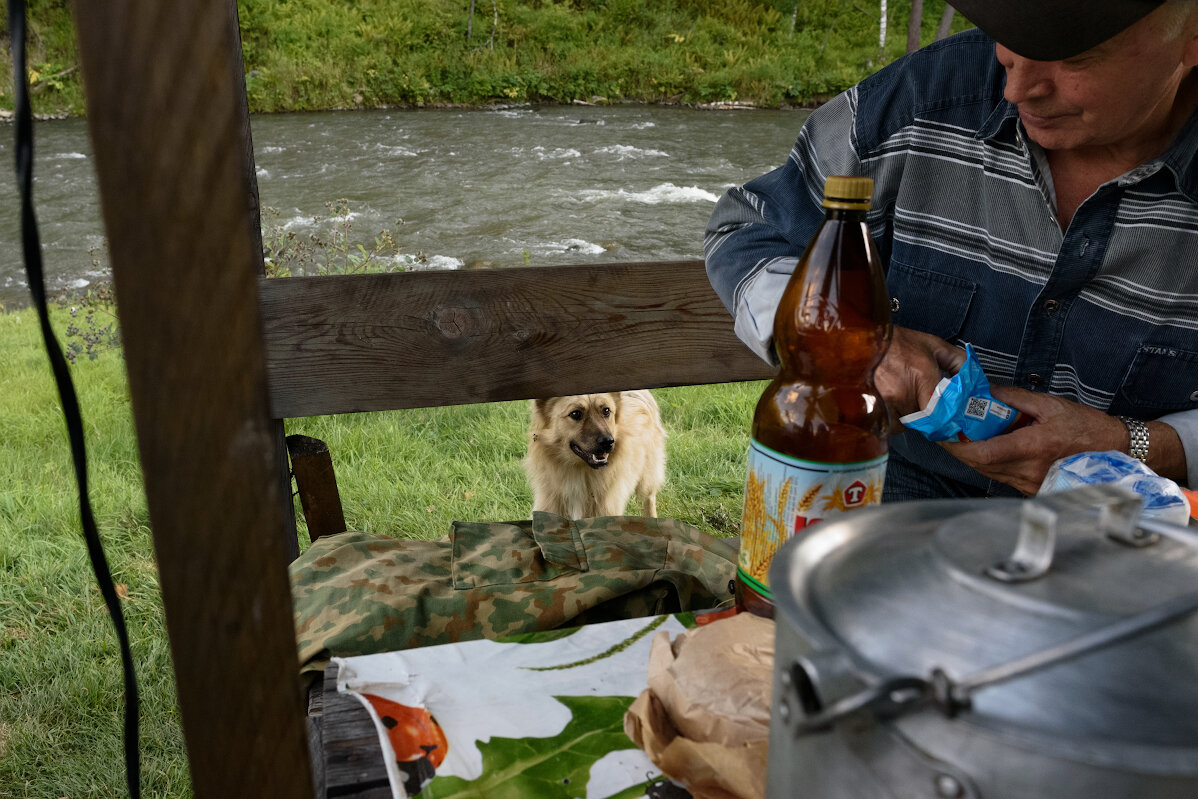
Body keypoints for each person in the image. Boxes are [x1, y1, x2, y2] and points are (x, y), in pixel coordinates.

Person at [705, 0, 1198, 500]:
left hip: (1129, 529)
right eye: (1009, 48)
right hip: (880, 496)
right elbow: (750, 226)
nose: (1015, 89)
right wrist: (849, 347)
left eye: (1074, 58)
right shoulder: (928, 96)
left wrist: (1142, 445)